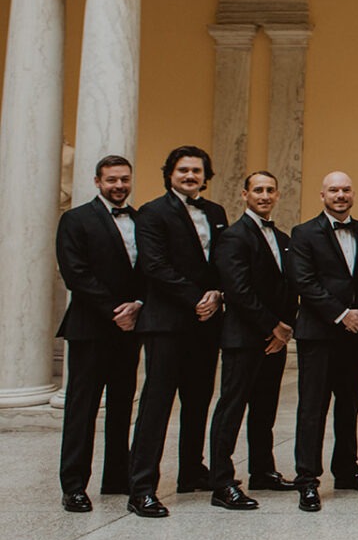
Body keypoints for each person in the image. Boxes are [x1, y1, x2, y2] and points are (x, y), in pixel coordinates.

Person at [127, 145, 227, 518]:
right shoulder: (152, 212)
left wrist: (217, 294)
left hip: (206, 323)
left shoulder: (215, 212)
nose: (190, 176)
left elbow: (222, 261)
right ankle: (141, 487)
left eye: (197, 171)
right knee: (157, 403)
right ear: (170, 173)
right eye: (183, 170)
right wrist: (196, 298)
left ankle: (191, 471)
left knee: (199, 399)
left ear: (205, 176)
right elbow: (155, 265)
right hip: (167, 323)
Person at [55, 154, 143, 512]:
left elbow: (148, 269)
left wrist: (137, 305)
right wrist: (113, 311)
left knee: (123, 404)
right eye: (111, 180)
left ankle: (117, 476)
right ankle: (74, 485)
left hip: (131, 327)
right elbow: (75, 274)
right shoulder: (75, 220)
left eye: (124, 179)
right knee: (82, 407)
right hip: (91, 328)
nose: (119, 186)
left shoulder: (141, 220)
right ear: (97, 182)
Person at [206, 171, 296, 511]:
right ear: (244, 195)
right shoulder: (233, 236)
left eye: (270, 190)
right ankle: (222, 481)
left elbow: (290, 286)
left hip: (275, 337)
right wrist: (271, 327)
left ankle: (262, 470)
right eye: (258, 190)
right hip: (244, 337)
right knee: (232, 407)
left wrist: (286, 326)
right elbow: (238, 290)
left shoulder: (283, 237)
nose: (265, 195)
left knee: (264, 409)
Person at [288, 170, 358, 512]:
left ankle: (346, 469)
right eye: (334, 190)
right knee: (313, 408)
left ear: (353, 194)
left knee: (349, 404)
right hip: (320, 333)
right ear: (322, 195)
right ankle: (307, 479)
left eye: (346, 190)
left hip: (357, 335)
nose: (340, 195)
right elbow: (304, 282)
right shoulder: (304, 233)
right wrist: (342, 315)